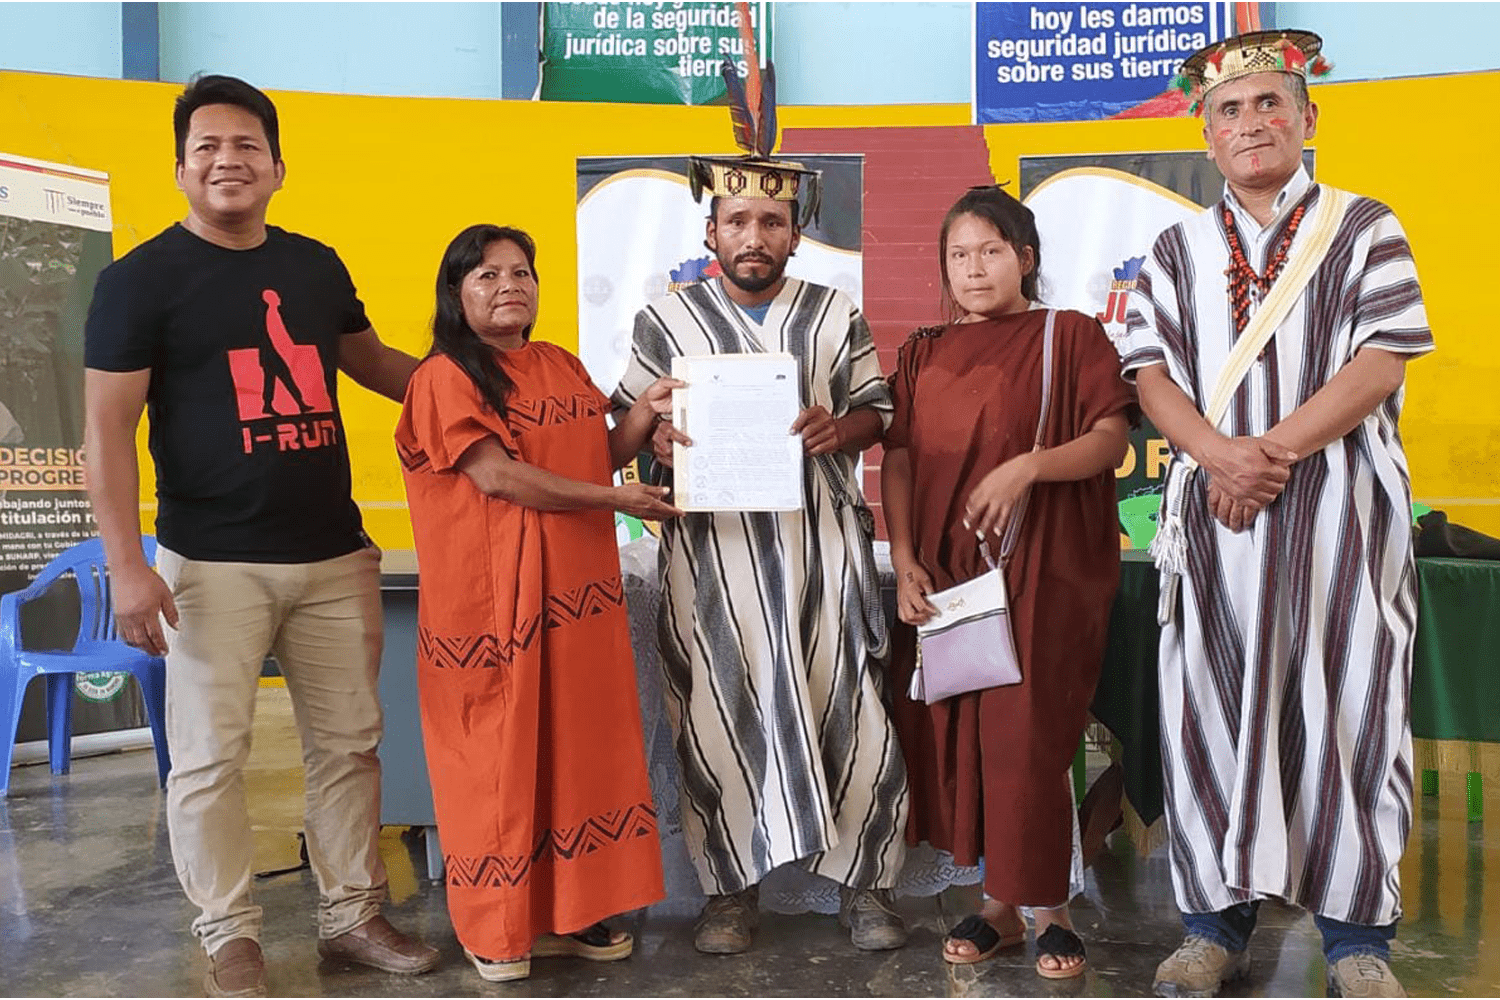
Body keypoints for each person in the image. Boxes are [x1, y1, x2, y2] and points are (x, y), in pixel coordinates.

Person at [83, 75, 437, 997]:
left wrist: (495, 384)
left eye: (246, 146)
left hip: (332, 555)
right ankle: (228, 930)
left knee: (351, 747)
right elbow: (105, 432)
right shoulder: (138, 281)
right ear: (180, 169)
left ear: (278, 165)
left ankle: (351, 917)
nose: (227, 161)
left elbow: (377, 367)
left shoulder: (314, 267)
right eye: (207, 147)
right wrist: (128, 564)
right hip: (209, 563)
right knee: (208, 759)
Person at [1121, 31, 1433, 999]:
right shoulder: (1173, 250)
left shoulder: (1365, 225)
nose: (1250, 122)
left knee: (1349, 710)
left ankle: (1355, 939)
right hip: (1218, 524)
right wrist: (1218, 456)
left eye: (1269, 104)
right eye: (1230, 110)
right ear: (1206, 135)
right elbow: (1148, 374)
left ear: (1306, 118)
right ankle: (1212, 927)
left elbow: (1379, 362)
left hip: (1341, 520)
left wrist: (1268, 455)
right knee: (1209, 707)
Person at [611, 151, 910, 954]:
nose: (755, 235)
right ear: (711, 230)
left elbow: (878, 412)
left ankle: (867, 886)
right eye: (738, 221)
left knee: (848, 707)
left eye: (771, 222)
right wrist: (660, 438)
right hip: (710, 560)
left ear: (795, 233)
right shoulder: (665, 321)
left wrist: (834, 428)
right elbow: (624, 431)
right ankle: (728, 896)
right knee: (712, 716)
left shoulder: (832, 312)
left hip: (818, 550)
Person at [395, 225, 678, 982]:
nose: (508, 285)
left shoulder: (558, 364)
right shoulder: (445, 377)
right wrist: (616, 499)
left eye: (521, 272)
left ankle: (575, 913)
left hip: (577, 606)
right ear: (455, 291)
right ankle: (498, 926)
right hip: (489, 614)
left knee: (578, 758)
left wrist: (645, 412)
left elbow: (601, 452)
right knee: (495, 766)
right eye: (486, 275)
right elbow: (497, 478)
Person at [882, 186, 1132, 979]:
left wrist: (1028, 467)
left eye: (991, 251)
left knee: (1027, 738)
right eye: (959, 255)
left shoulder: (1069, 334)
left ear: (1025, 258)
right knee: (967, 739)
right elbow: (898, 457)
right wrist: (905, 557)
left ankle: (1049, 907)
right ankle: (999, 906)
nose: (974, 268)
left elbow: (1110, 441)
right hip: (951, 576)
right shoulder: (922, 350)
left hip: (1044, 568)